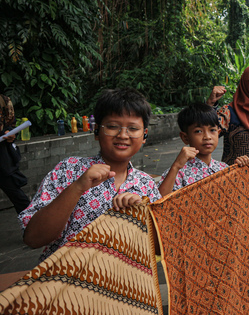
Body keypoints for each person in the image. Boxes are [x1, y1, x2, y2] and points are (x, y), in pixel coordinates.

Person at [19, 88, 162, 262]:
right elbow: (33, 238)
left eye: (133, 128)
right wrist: (77, 187)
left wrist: (141, 214)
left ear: (144, 135)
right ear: (96, 131)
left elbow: (159, 248)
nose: (123, 135)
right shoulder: (69, 169)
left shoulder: (146, 185)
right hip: (65, 281)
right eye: (112, 126)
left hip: (124, 285)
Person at [159, 102, 249, 196]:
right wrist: (176, 166)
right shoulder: (177, 173)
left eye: (212, 130)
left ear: (218, 133)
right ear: (185, 137)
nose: (207, 137)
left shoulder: (223, 168)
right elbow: (158, 202)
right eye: (198, 131)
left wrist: (239, 172)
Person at [206, 64, 249, 165]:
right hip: (235, 178)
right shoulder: (229, 112)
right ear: (245, 83)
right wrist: (210, 104)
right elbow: (205, 134)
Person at [0, 93, 30, 214]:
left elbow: (10, 125)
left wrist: (10, 134)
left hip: (2, 161)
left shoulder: (4, 101)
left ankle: (34, 228)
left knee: (21, 202)